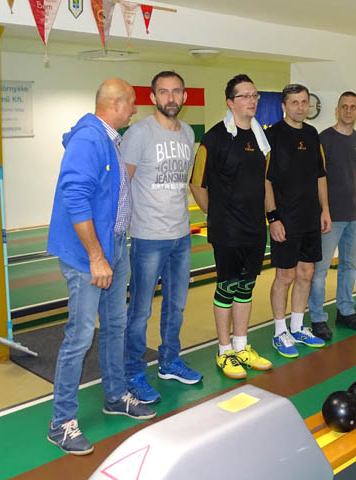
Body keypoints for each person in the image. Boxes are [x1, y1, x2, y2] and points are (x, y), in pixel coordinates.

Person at [46, 78, 155, 456]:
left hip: (114, 248)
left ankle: (115, 395)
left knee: (114, 326)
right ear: (116, 104)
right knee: (79, 336)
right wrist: (96, 257)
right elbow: (74, 196)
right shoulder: (89, 139)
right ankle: (61, 422)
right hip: (88, 257)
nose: (135, 110)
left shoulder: (110, 138)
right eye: (132, 104)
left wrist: (111, 251)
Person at [120, 71, 202, 404]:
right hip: (148, 237)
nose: (171, 98)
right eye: (164, 92)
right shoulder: (139, 133)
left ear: (184, 96)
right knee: (140, 310)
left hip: (181, 235)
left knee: (176, 306)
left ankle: (169, 362)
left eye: (177, 91)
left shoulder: (188, 133)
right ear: (153, 97)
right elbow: (123, 185)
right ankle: (132, 372)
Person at [189, 74, 273, 379]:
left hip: (255, 228)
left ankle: (241, 346)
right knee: (226, 287)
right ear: (230, 102)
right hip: (227, 230)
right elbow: (197, 184)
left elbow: (263, 181)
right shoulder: (214, 139)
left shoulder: (260, 138)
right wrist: (218, 214)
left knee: (246, 286)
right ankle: (224, 351)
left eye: (254, 95)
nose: (252, 101)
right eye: (245, 96)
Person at [265, 83, 332, 358]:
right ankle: (279, 331)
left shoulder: (312, 134)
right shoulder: (272, 136)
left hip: (310, 218)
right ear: (284, 106)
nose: (300, 107)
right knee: (285, 275)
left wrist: (325, 210)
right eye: (294, 102)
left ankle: (297, 327)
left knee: (306, 273)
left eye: (304, 102)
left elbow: (320, 176)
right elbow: (265, 181)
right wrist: (273, 218)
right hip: (285, 219)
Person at [308, 91, 356, 339]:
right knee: (320, 270)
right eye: (344, 106)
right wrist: (323, 211)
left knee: (348, 267)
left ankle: (345, 310)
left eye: (353, 107)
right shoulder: (324, 139)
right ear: (337, 110)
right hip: (329, 217)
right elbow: (315, 178)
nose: (348, 111)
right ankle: (317, 317)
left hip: (354, 215)